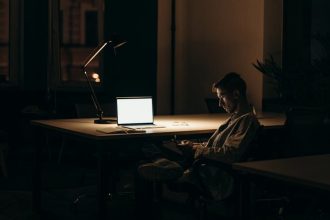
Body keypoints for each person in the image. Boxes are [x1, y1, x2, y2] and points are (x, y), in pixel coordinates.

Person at [135, 72, 260, 217]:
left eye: (222, 97)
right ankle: (164, 162)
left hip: (211, 174)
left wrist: (196, 149)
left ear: (236, 94)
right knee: (153, 145)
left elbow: (230, 154)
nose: (219, 104)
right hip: (204, 162)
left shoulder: (247, 121)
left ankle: (168, 166)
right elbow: (219, 146)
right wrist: (194, 145)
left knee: (148, 153)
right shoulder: (234, 119)